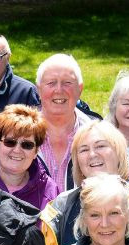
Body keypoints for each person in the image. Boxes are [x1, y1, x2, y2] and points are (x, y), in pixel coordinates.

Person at [36, 54, 95, 201]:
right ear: (39, 89)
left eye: (67, 83)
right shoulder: (18, 135)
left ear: (79, 89)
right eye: (51, 83)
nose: (59, 90)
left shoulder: (98, 134)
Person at [0, 104, 55, 210]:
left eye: (27, 145)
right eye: (10, 142)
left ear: (36, 151)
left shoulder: (49, 191)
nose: (17, 150)